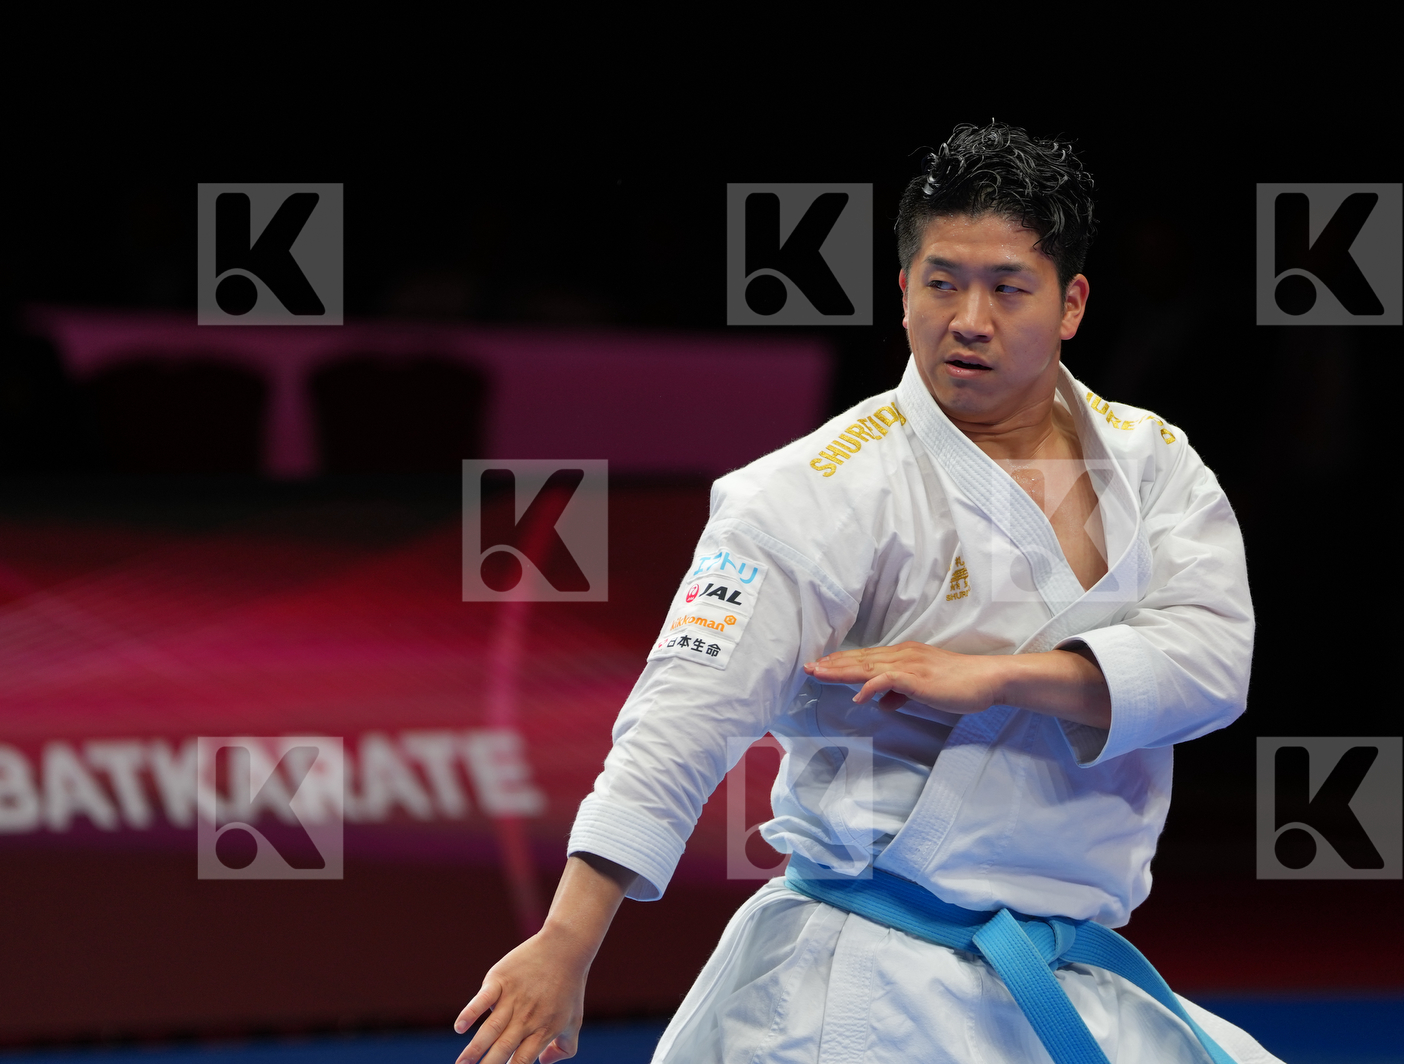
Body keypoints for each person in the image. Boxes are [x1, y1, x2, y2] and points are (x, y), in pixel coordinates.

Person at [453, 122, 1278, 1064]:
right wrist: (568, 938)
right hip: (864, 980)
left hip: (1061, 973)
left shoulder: (1153, 461)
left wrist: (1000, 679)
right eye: (942, 283)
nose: (970, 318)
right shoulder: (815, 488)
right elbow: (685, 719)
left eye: (1008, 288)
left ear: (1072, 304)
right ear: (903, 291)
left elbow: (1216, 665)